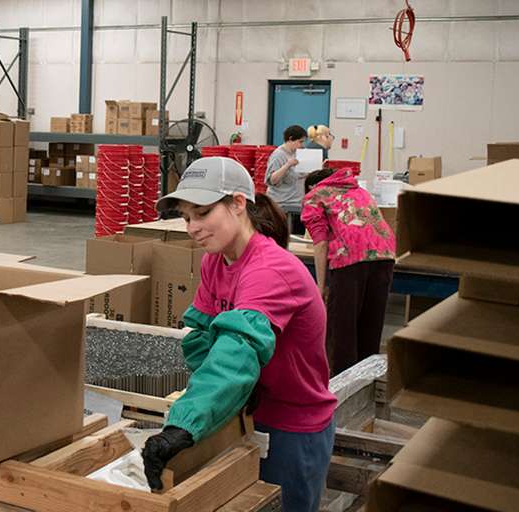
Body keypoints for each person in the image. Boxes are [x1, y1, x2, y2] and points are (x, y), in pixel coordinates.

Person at [141, 157, 336, 512]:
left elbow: (237, 352)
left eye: (203, 213)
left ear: (237, 203)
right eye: (186, 217)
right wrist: (212, 406)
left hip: (291, 427)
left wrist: (184, 424)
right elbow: (202, 336)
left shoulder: (270, 270)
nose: (193, 228)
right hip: (243, 414)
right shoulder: (215, 261)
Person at [301, 168, 395, 375]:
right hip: (384, 255)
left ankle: (341, 386)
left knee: (341, 332)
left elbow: (320, 243)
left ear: (312, 186)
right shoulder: (359, 190)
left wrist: (320, 287)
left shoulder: (314, 196)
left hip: (350, 257)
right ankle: (367, 381)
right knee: (370, 327)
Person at [266, 125, 307, 234]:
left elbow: (299, 176)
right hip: (282, 205)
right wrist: (287, 165)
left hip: (296, 204)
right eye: (300, 142)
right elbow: (272, 180)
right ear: (290, 139)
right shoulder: (278, 155)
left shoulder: (297, 153)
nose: (302, 145)